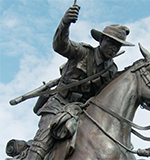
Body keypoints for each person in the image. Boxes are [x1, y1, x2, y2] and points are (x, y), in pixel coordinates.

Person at [25, 5, 134, 160]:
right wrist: (65, 23)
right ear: (102, 40)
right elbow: (60, 45)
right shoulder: (82, 52)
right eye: (111, 43)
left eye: (118, 45)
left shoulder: (111, 70)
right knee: (40, 146)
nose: (114, 49)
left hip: (82, 112)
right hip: (59, 105)